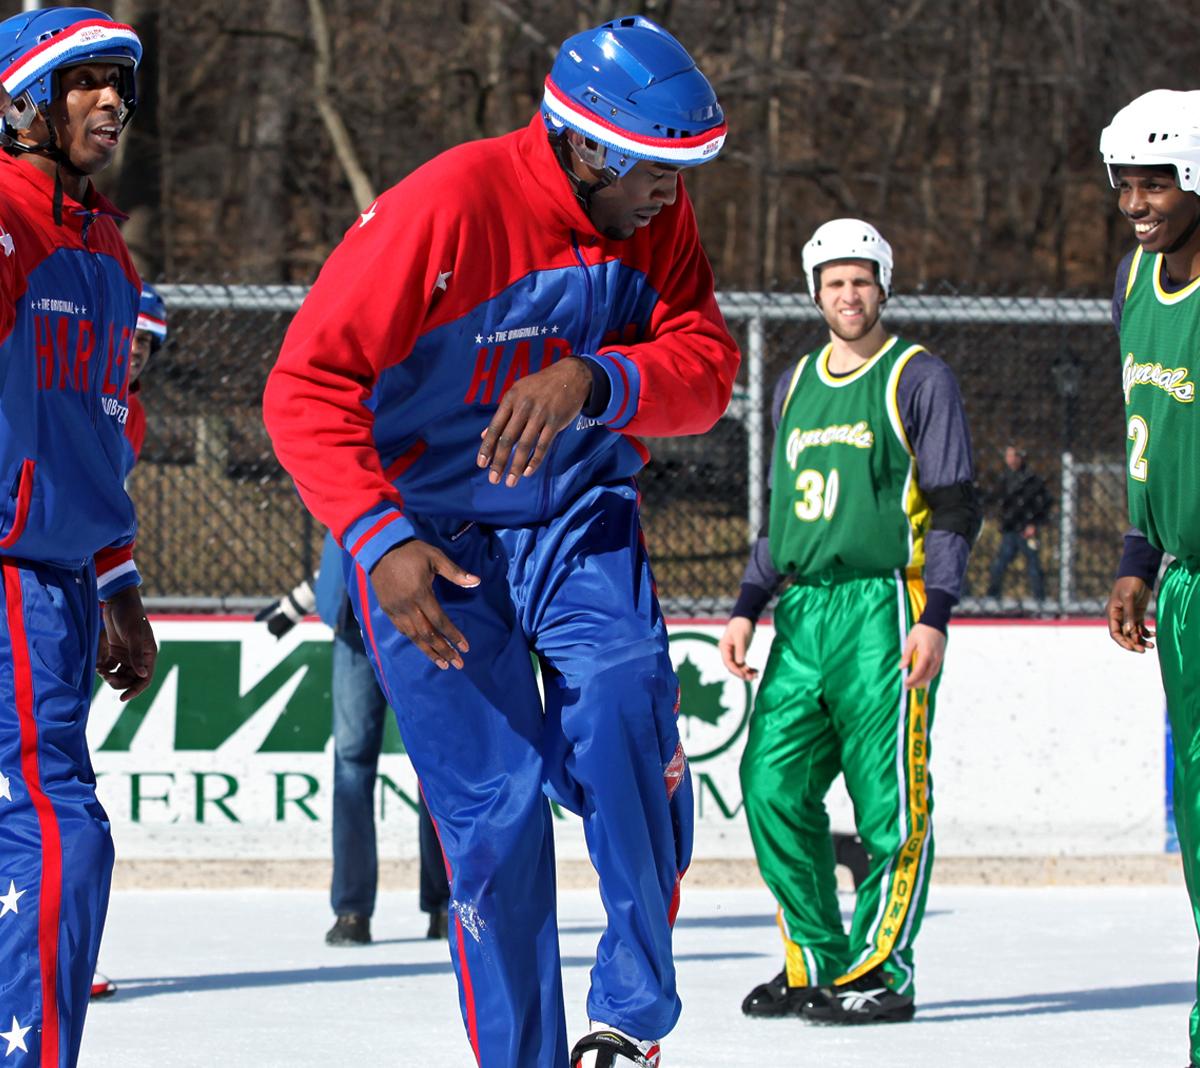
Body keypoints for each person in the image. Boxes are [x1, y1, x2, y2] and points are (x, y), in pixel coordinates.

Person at [263, 16, 735, 1067]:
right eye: (656, 169)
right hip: (430, 540)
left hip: (573, 511)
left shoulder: (652, 216)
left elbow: (705, 364)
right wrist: (379, 542)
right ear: (585, 143)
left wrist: (598, 378)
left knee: (620, 699)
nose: (672, 192)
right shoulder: (443, 209)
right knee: (494, 819)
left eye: (687, 168)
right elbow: (303, 389)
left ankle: (627, 1017)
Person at [719, 219, 979, 1024]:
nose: (848, 294)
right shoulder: (793, 383)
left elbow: (955, 504)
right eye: (833, 282)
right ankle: (815, 959)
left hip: (884, 605)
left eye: (861, 280)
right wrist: (746, 606)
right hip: (802, 611)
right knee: (769, 784)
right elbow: (781, 515)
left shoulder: (918, 376)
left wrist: (936, 611)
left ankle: (882, 969)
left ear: (883, 286)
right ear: (815, 292)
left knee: (888, 803)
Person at [0, 8, 157, 1064]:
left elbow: (94, 435)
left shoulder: (106, 251)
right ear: (25, 102)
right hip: (6, 572)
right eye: (84, 80)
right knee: (60, 832)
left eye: (121, 83)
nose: (111, 100)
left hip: (64, 582)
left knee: (55, 829)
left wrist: (120, 583)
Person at [1099, 88, 1200, 1068]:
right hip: (1183, 592)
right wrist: (1138, 556)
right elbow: (1147, 440)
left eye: (1157, 179)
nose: (1137, 199)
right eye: (1125, 181)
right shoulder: (1135, 281)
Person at [259, 532, 451, 947]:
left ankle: (444, 903)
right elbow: (343, 540)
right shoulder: (342, 470)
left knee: (432, 762)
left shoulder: (411, 469)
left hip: (415, 617)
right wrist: (294, 605)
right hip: (351, 624)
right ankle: (352, 910)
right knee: (351, 764)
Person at [89, 281, 169, 1005]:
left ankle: (50, 938)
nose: (134, 352)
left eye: (147, 344)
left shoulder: (130, 414)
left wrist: (119, 600)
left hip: (73, 598)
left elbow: (108, 514)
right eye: (129, 337)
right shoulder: (55, 385)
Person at [984, 444, 1051, 602]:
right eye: (1008, 456)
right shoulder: (1004, 478)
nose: (1011, 460)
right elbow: (998, 500)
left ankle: (1039, 598)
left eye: (1014, 456)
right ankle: (992, 597)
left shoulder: (1031, 479)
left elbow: (1041, 503)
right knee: (1000, 564)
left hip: (1027, 528)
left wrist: (1033, 523)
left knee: (1033, 565)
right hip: (1010, 529)